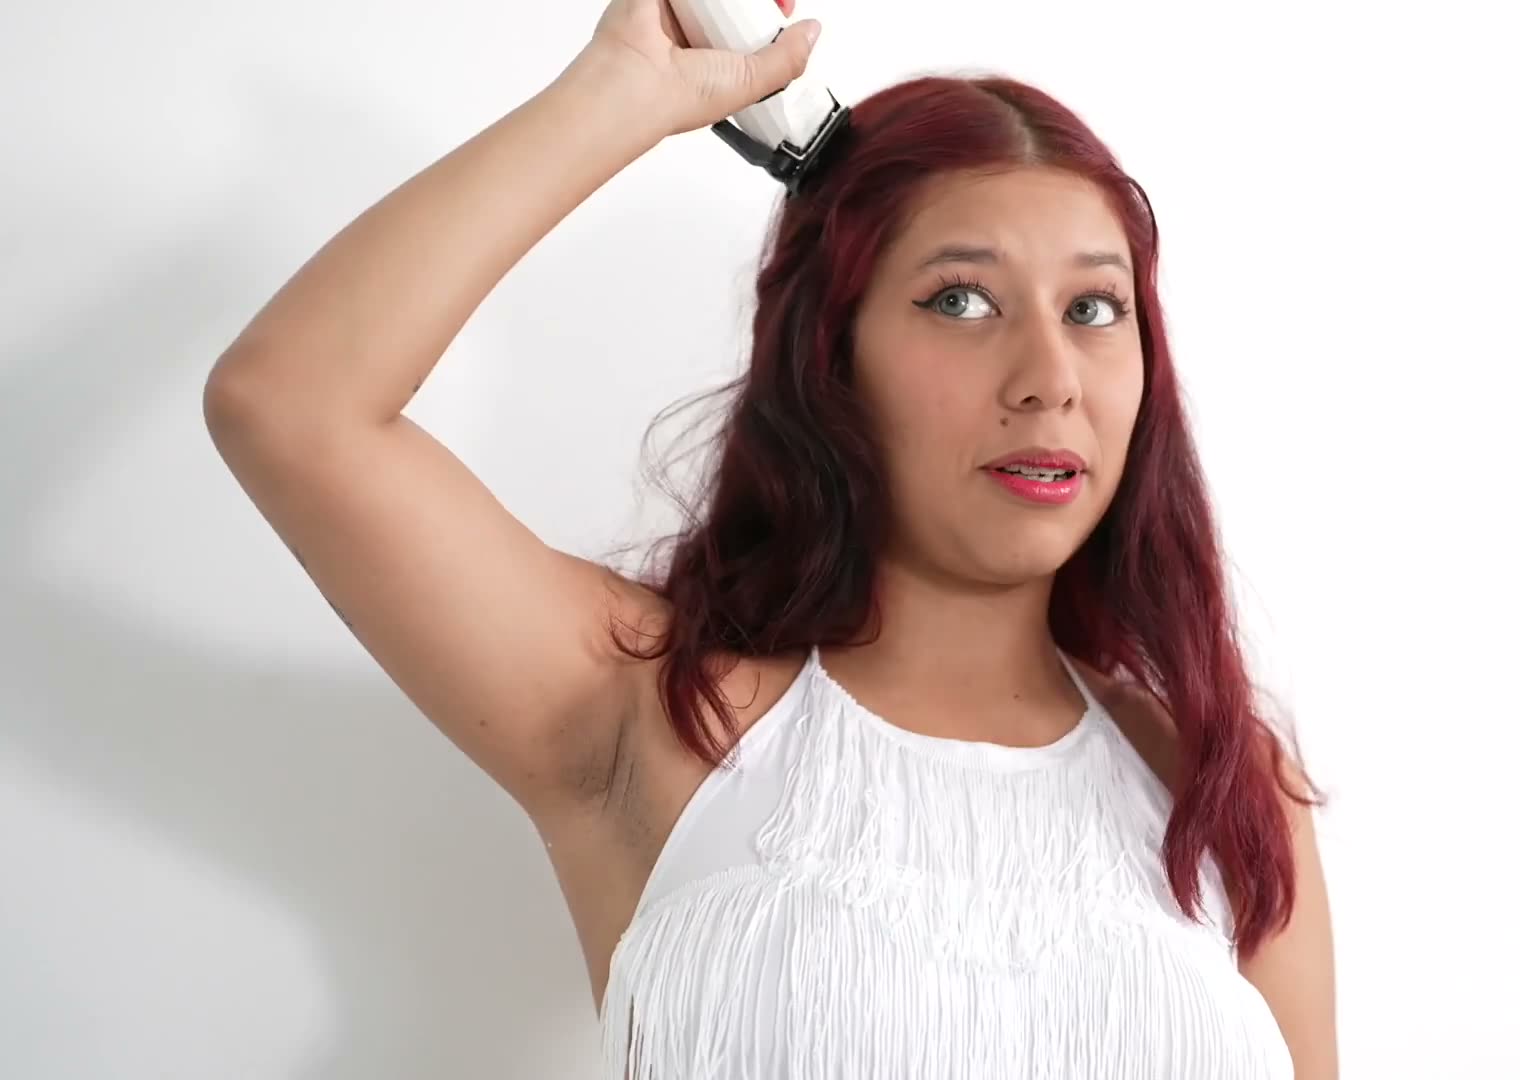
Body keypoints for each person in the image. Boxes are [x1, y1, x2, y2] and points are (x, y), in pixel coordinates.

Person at [201, 0, 1338, 1075]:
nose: (1050, 379)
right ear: (829, 355)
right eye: (961, 300)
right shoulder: (653, 711)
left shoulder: (1224, 787)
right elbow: (292, 404)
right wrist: (618, 93)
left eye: (1093, 308)